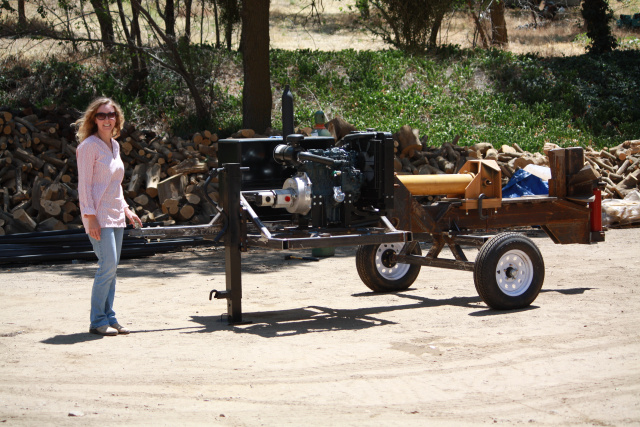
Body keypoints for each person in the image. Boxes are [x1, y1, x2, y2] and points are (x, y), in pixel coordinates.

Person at [75, 97, 142, 336]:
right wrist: (89, 216)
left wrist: (126, 208)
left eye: (110, 114)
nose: (106, 119)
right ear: (94, 119)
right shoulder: (87, 147)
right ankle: (97, 320)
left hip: (116, 214)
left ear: (117, 118)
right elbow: (84, 186)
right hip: (97, 216)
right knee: (107, 266)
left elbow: (116, 184)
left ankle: (109, 317)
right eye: (101, 115)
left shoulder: (114, 146)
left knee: (112, 269)